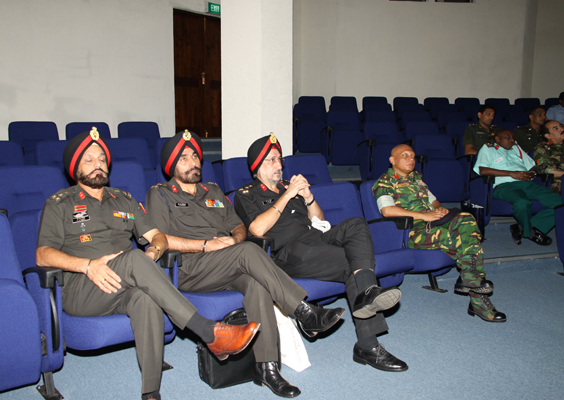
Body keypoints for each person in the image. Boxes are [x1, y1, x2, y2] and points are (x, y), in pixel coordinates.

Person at [36, 129, 261, 400]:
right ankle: (207, 331)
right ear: (75, 169)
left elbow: (157, 237)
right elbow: (43, 255)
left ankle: (151, 392)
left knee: (144, 299)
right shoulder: (59, 204)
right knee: (134, 257)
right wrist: (88, 265)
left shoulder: (124, 199)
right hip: (84, 288)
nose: (98, 164)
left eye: (102, 159)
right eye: (89, 160)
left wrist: (153, 252)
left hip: (123, 283)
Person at [146, 130, 345, 399]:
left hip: (226, 261)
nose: (192, 162)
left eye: (195, 156)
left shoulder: (212, 190)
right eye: (184, 158)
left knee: (257, 283)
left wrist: (234, 240)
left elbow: (238, 226)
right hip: (190, 267)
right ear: (171, 166)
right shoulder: (160, 194)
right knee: (249, 251)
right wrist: (206, 245)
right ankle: (302, 310)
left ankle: (267, 367)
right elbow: (160, 238)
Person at [233, 134, 407, 373]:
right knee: (351, 264)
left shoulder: (288, 186)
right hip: (287, 252)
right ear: (257, 166)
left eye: (279, 159)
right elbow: (257, 229)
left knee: (356, 224)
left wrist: (308, 197)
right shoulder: (246, 194)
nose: (278, 165)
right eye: (271, 160)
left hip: (315, 237)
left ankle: (368, 291)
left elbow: (319, 219)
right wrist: (287, 195)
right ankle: (368, 345)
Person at [372, 144, 506, 323]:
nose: (411, 159)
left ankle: (470, 279)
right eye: (405, 156)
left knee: (466, 218)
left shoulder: (416, 178)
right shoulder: (385, 181)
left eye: (412, 156)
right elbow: (387, 211)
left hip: (434, 223)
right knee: (463, 240)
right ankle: (477, 298)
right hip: (410, 231)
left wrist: (439, 209)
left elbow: (433, 200)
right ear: (392, 160)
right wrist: (424, 216)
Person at [474, 129, 561, 246]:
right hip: (504, 186)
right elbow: (483, 170)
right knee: (522, 203)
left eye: (512, 137)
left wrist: (532, 173)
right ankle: (530, 232)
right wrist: (511, 173)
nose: (512, 140)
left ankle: (524, 226)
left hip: (527, 184)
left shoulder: (516, 148)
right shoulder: (488, 149)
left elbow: (533, 166)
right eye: (507, 137)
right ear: (497, 139)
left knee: (560, 202)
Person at [533, 120, 564, 194]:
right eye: (556, 128)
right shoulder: (543, 148)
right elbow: (544, 169)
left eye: (561, 126)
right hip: (558, 184)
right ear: (548, 136)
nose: (562, 129)